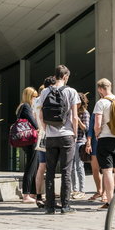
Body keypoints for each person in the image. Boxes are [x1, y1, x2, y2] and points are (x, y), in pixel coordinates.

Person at [37, 65, 80, 215]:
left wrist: (45, 130)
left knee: (49, 171)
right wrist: (74, 133)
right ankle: (65, 206)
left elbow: (41, 116)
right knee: (66, 171)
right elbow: (74, 117)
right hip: (67, 135)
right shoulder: (71, 91)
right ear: (66, 76)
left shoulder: (44, 91)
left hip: (50, 137)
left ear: (54, 76)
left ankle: (49, 206)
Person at [93, 78, 115, 209]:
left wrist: (97, 133)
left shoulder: (101, 102)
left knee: (107, 170)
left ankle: (110, 201)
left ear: (100, 89)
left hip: (105, 138)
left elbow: (97, 123)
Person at [34, 76, 56, 208]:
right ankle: (49, 196)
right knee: (50, 167)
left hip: (40, 135)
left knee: (41, 166)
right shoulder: (49, 98)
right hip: (50, 134)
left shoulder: (36, 100)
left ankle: (38, 196)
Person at [16, 87, 39, 204]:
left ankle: (33, 193)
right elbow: (33, 123)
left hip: (26, 140)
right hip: (31, 140)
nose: (36, 98)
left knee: (34, 165)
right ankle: (26, 194)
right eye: (34, 96)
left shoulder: (21, 107)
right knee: (31, 166)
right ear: (30, 96)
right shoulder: (26, 107)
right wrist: (39, 127)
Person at [71, 93, 89, 199]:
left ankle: (82, 190)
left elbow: (86, 129)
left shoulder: (85, 113)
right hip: (72, 141)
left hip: (80, 141)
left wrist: (77, 119)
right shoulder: (72, 111)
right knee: (72, 167)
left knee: (79, 166)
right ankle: (74, 189)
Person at [85, 112, 104, 201]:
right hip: (95, 143)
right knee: (95, 168)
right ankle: (99, 190)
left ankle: (105, 193)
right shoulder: (96, 111)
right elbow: (90, 128)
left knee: (106, 169)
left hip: (106, 140)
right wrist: (88, 142)